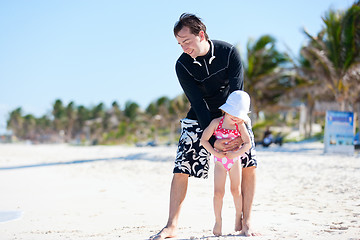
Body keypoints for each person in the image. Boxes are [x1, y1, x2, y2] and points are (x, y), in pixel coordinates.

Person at [149, 13, 257, 240]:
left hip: (233, 115)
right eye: (179, 44)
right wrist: (213, 137)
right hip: (201, 115)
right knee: (181, 166)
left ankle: (246, 221)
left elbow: (237, 94)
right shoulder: (183, 65)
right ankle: (171, 225)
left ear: (201, 34)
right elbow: (197, 103)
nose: (183, 47)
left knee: (249, 160)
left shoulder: (228, 53)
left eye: (186, 41)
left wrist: (234, 128)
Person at [200, 90, 252, 236]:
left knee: (236, 190)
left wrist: (235, 153)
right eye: (233, 114)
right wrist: (215, 153)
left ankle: (237, 216)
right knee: (218, 192)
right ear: (225, 110)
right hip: (219, 163)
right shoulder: (216, 123)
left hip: (234, 161)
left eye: (239, 116)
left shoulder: (240, 126)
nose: (236, 118)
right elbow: (203, 140)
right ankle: (218, 220)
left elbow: (248, 143)